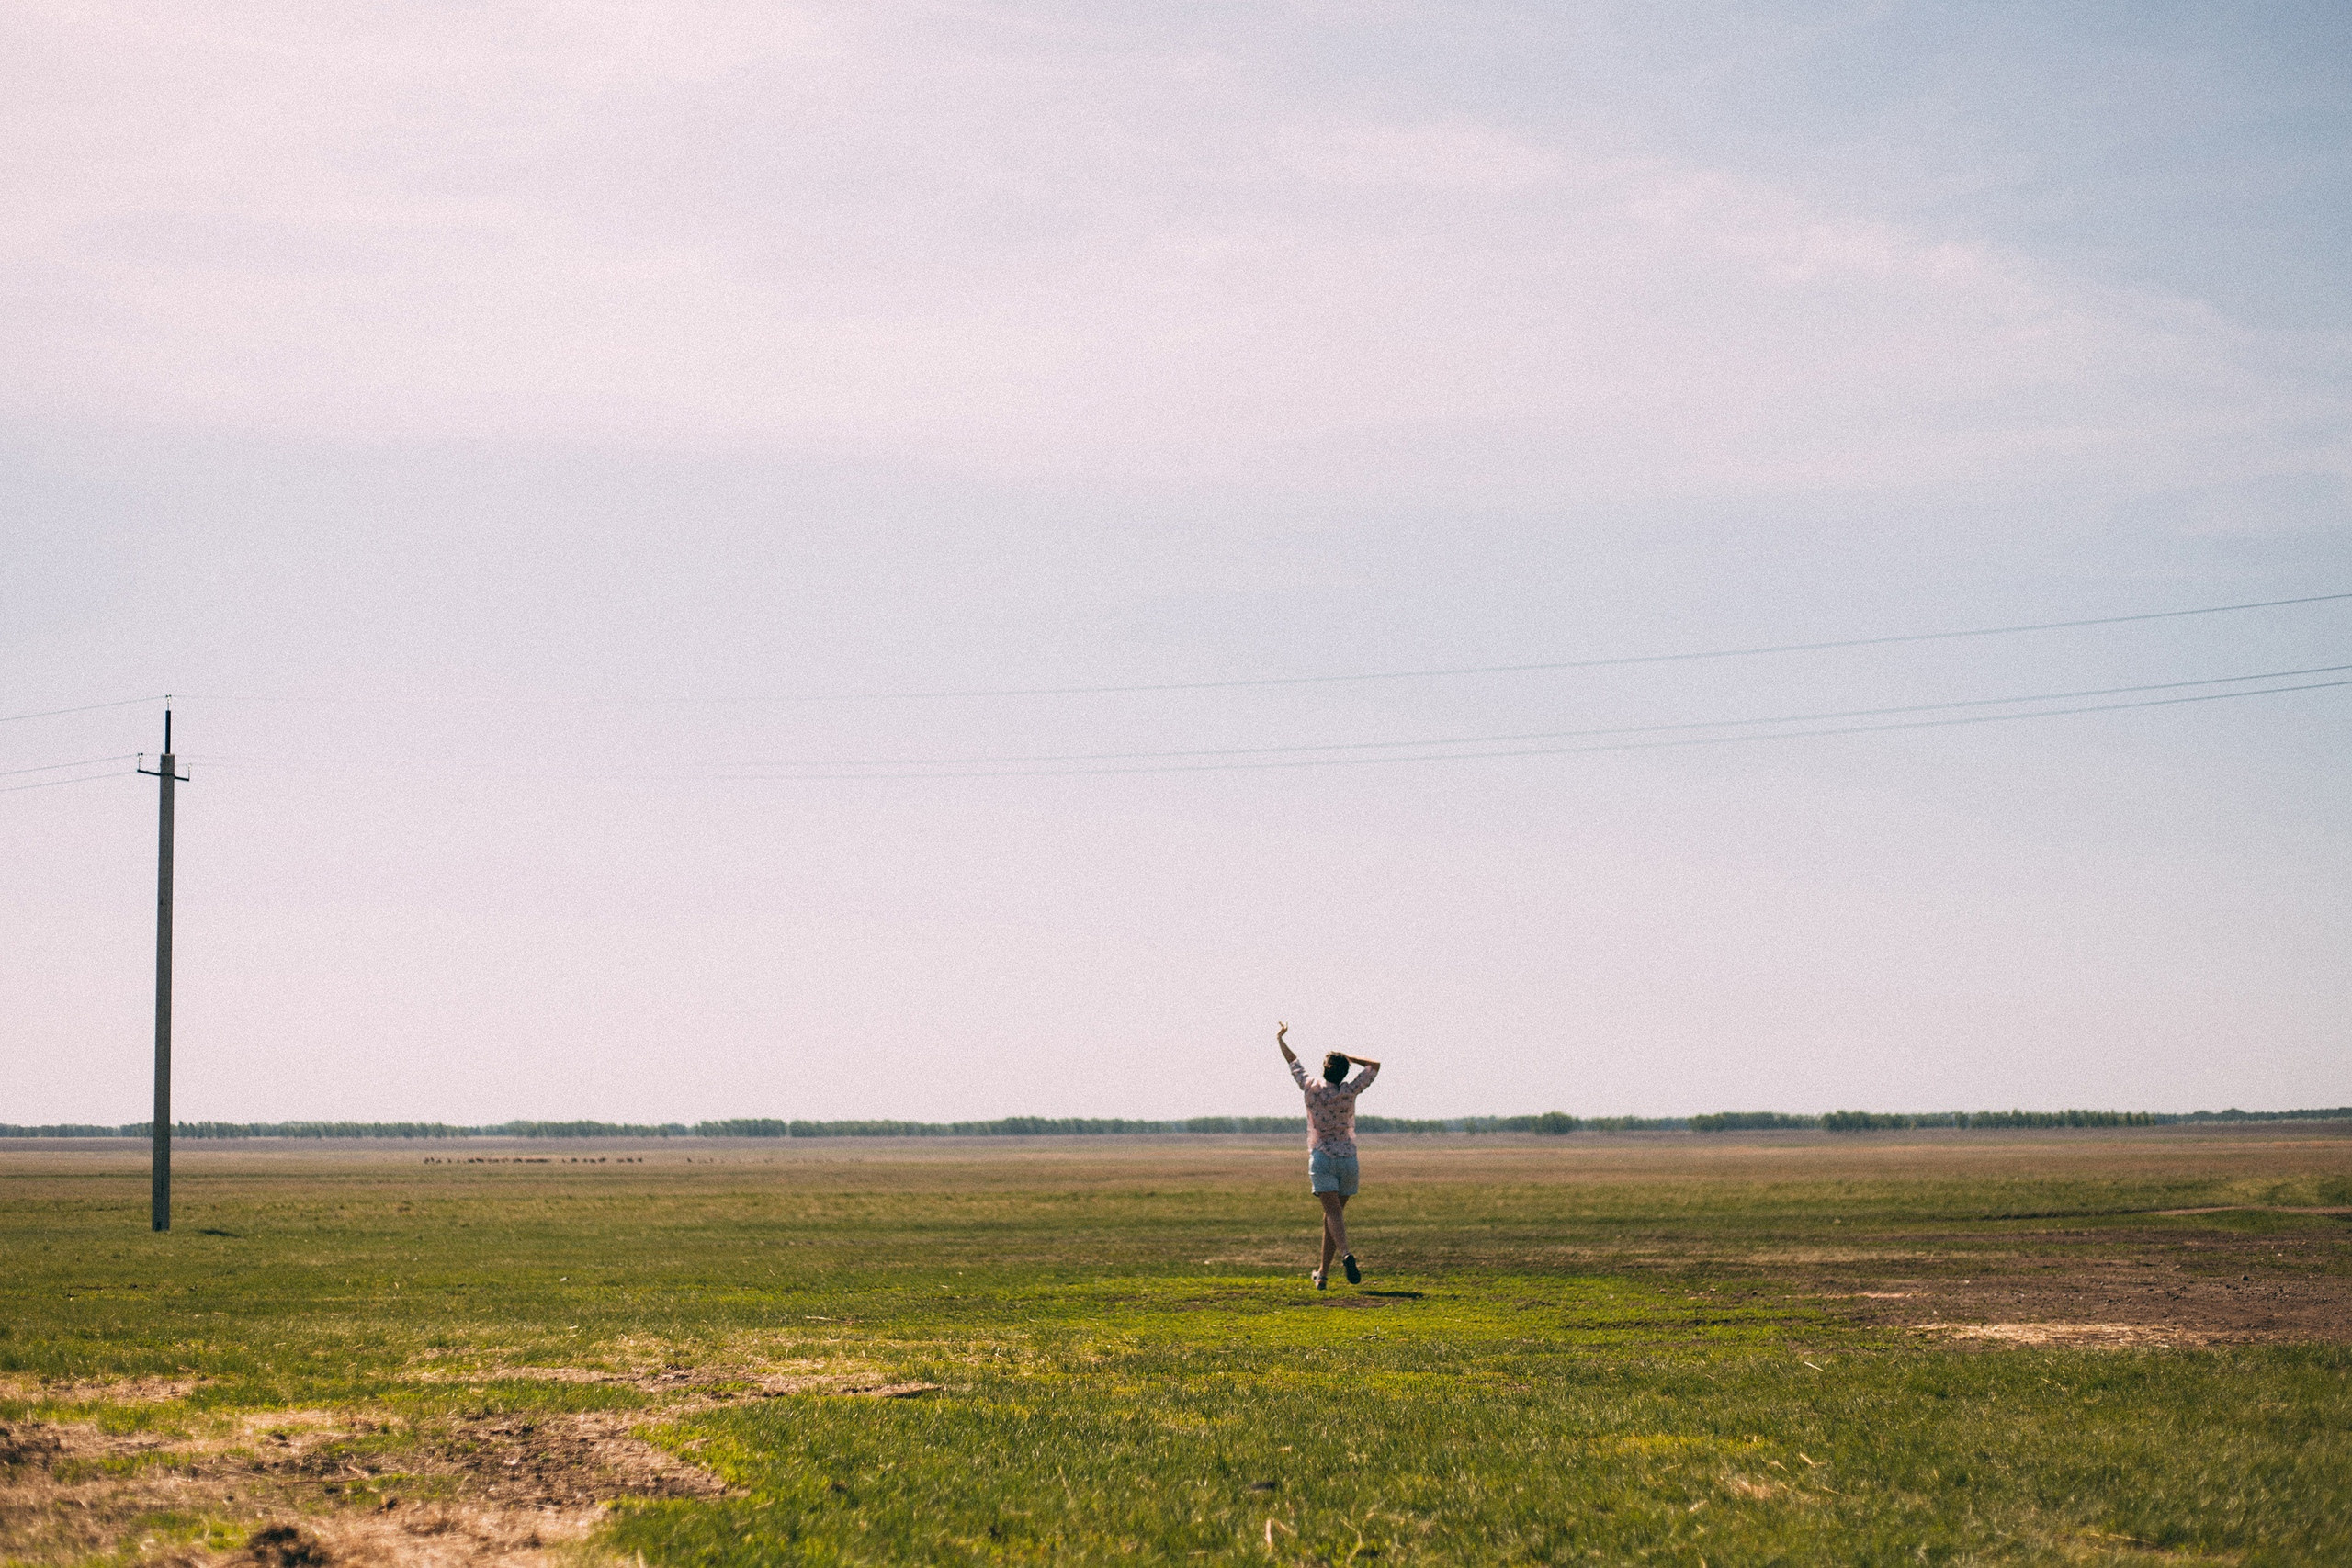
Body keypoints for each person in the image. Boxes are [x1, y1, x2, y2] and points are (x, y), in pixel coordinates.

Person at [1276, 1021, 1380, 1289]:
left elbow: (1293, 1062)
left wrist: (1280, 1039)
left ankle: (1346, 1254)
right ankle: (1322, 1274)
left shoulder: (1311, 1087)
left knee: (1333, 1215)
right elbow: (1375, 1066)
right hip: (1348, 1159)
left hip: (1322, 1157)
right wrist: (1351, 1058)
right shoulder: (1349, 1091)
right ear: (1343, 1071)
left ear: (1325, 1069)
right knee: (1333, 1217)